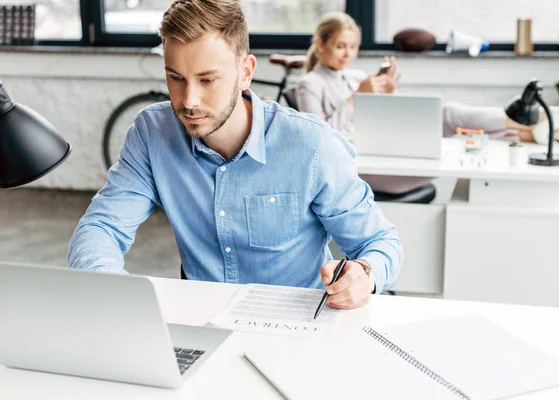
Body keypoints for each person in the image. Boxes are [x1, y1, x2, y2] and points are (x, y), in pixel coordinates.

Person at [67, 0, 402, 310]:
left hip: (296, 327)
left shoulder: (312, 145)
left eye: (207, 79)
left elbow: (381, 241)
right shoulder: (152, 133)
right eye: (175, 78)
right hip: (202, 321)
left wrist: (364, 273)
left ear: (245, 71)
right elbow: (102, 228)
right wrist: (114, 295)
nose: (189, 100)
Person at [296, 12, 559, 195]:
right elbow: (319, 141)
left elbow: (387, 122)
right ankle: (544, 123)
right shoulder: (310, 84)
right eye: (340, 46)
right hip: (359, 169)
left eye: (353, 47)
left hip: (383, 150)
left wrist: (389, 94)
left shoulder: (356, 76)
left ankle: (540, 129)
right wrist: (356, 98)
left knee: (447, 114)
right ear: (320, 45)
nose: (348, 54)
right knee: (451, 128)